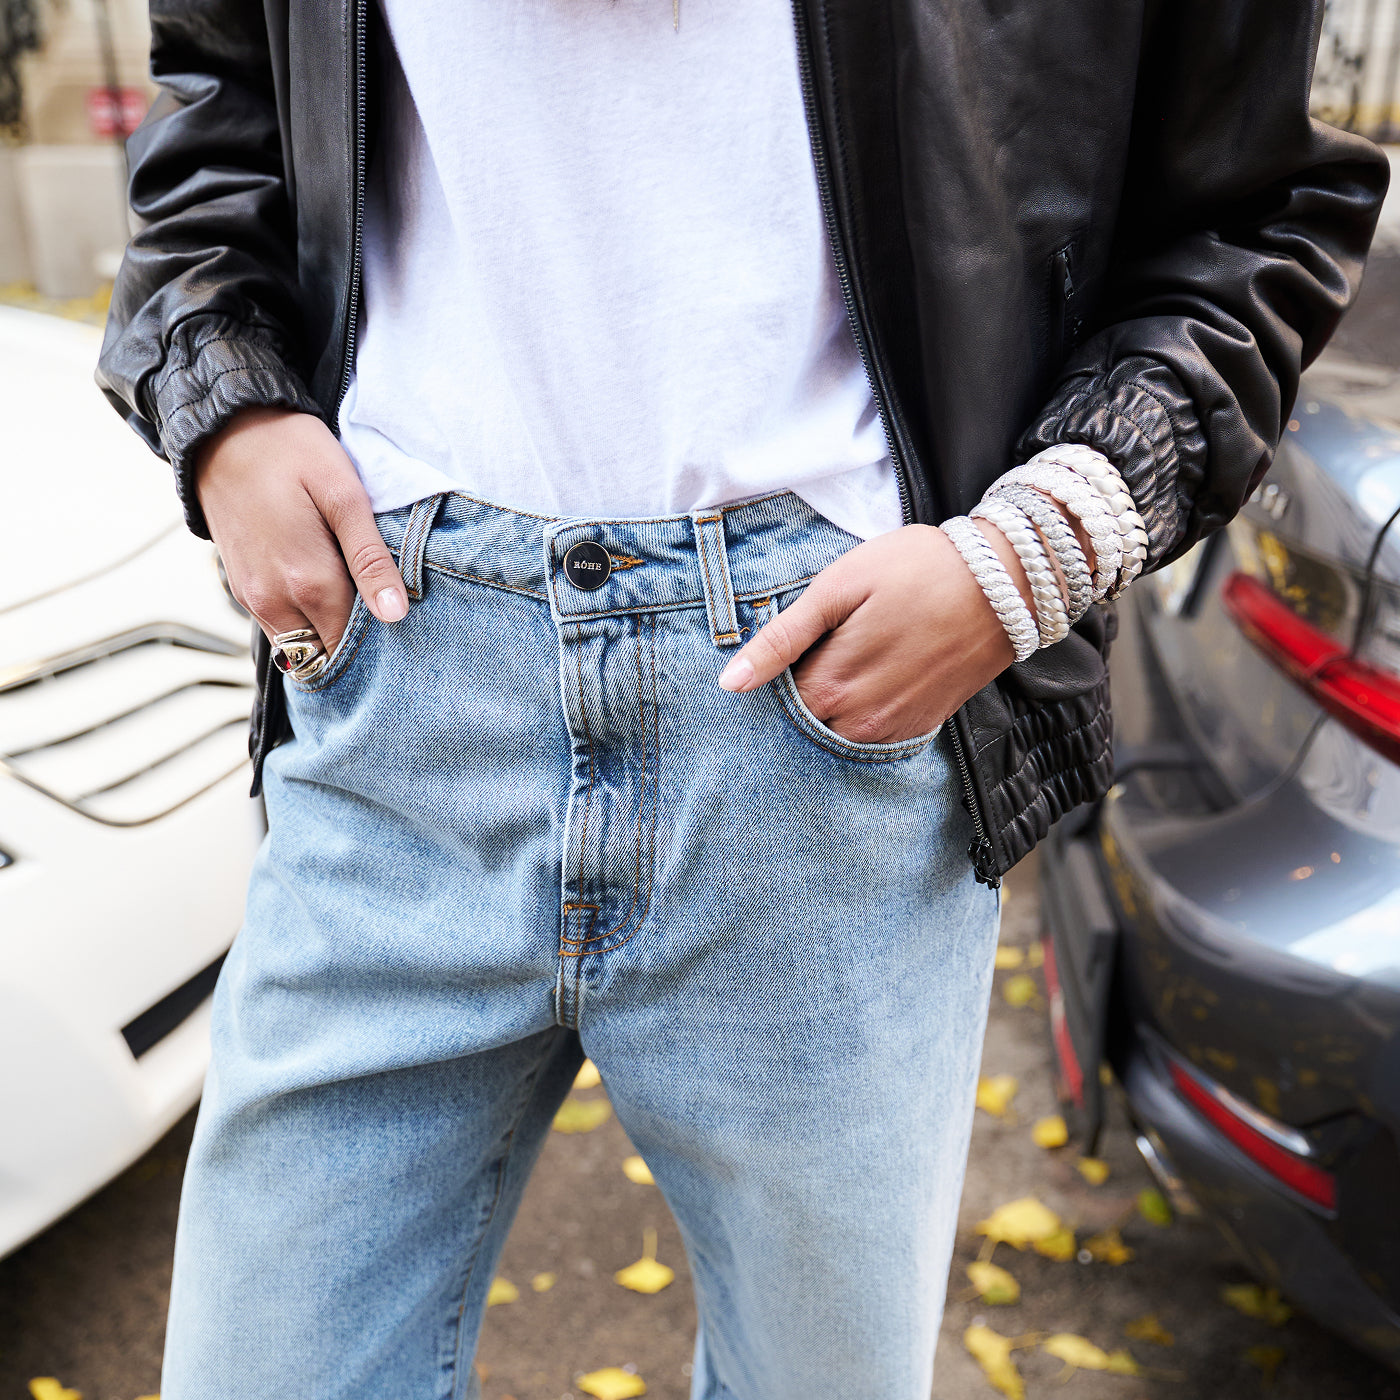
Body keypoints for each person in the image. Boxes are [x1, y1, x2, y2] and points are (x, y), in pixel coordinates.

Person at [97, 2, 1384, 1396]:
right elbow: (217, 93)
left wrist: (1029, 555)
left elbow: (1255, 210)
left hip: (827, 712)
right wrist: (223, 395)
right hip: (404, 674)